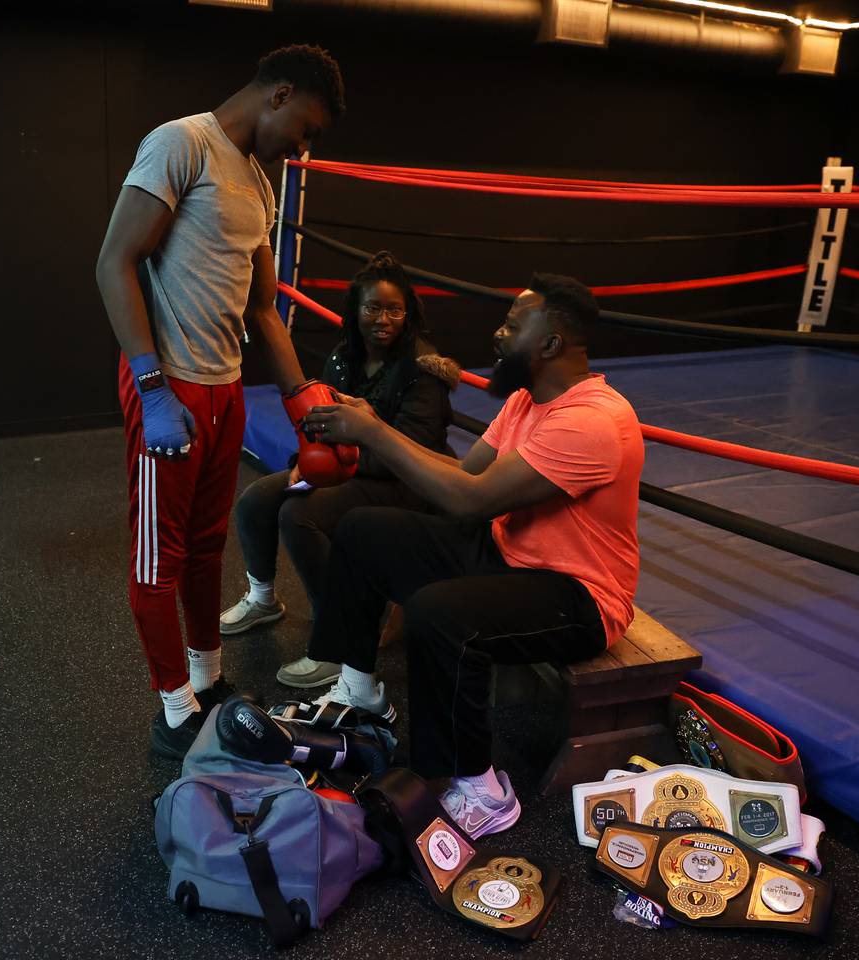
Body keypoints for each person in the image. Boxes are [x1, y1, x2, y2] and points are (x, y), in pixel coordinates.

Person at [297, 273, 644, 839]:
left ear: (551, 343)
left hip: (579, 595)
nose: (499, 334)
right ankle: (360, 692)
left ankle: (480, 787)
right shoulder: (527, 399)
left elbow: (468, 499)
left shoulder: (592, 421)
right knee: (362, 529)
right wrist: (375, 427)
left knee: (440, 614)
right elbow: (465, 471)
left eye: (513, 324)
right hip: (510, 553)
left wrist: (375, 434)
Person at [94, 45, 346, 760]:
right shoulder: (182, 144)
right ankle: (174, 704)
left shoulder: (261, 186)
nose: (303, 146)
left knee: (208, 548)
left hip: (225, 390)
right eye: (306, 128)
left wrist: (302, 400)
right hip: (167, 386)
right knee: (159, 558)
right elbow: (112, 262)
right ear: (280, 93)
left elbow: (264, 309)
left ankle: (207, 677)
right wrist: (150, 388)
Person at [220, 252, 460, 690]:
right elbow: (321, 424)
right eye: (373, 308)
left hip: (406, 483)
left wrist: (331, 467)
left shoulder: (422, 371)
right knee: (258, 499)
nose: (383, 318)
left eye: (394, 309)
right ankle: (263, 598)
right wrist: (304, 464)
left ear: (408, 314)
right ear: (356, 310)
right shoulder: (343, 359)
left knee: (299, 514)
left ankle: (339, 643)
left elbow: (415, 452)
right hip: (350, 470)